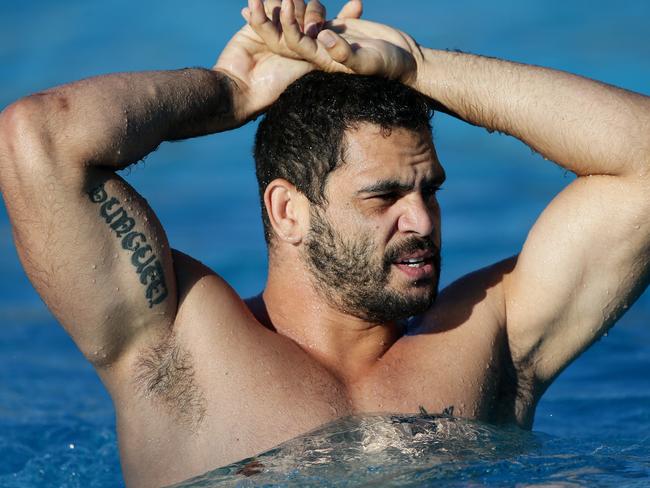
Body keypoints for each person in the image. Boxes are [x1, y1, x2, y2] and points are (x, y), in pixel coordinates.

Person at [0, 0, 648, 486]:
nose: (422, 221)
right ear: (288, 211)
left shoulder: (489, 341)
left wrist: (421, 69)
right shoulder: (176, 346)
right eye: (384, 196)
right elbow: (39, 140)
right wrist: (224, 94)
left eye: (430, 191)